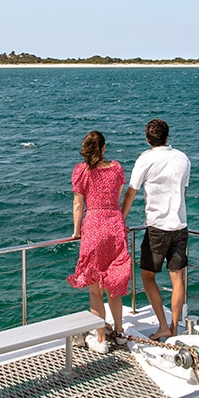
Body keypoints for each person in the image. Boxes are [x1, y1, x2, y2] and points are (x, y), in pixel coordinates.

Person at [121, 118, 191, 340]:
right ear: (167, 137)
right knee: (177, 277)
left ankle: (162, 325)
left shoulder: (145, 160)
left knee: (147, 276)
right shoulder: (183, 158)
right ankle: (173, 326)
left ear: (147, 139)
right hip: (180, 225)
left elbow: (131, 191)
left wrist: (121, 220)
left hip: (157, 228)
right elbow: (184, 191)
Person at [67, 131, 131, 353]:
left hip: (93, 227)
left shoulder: (81, 171)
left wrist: (76, 231)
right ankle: (120, 333)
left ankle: (101, 339)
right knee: (113, 285)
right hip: (115, 226)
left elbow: (78, 205)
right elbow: (119, 196)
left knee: (95, 289)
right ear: (103, 148)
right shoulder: (117, 168)